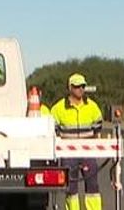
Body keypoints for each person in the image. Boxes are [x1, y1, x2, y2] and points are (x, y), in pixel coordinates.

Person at [43, 72, 104, 210]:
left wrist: (89, 139)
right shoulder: (59, 108)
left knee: (93, 186)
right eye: (77, 86)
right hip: (68, 154)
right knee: (71, 188)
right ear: (70, 88)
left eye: (83, 86)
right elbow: (53, 127)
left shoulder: (92, 106)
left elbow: (98, 125)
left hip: (88, 153)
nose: (80, 89)